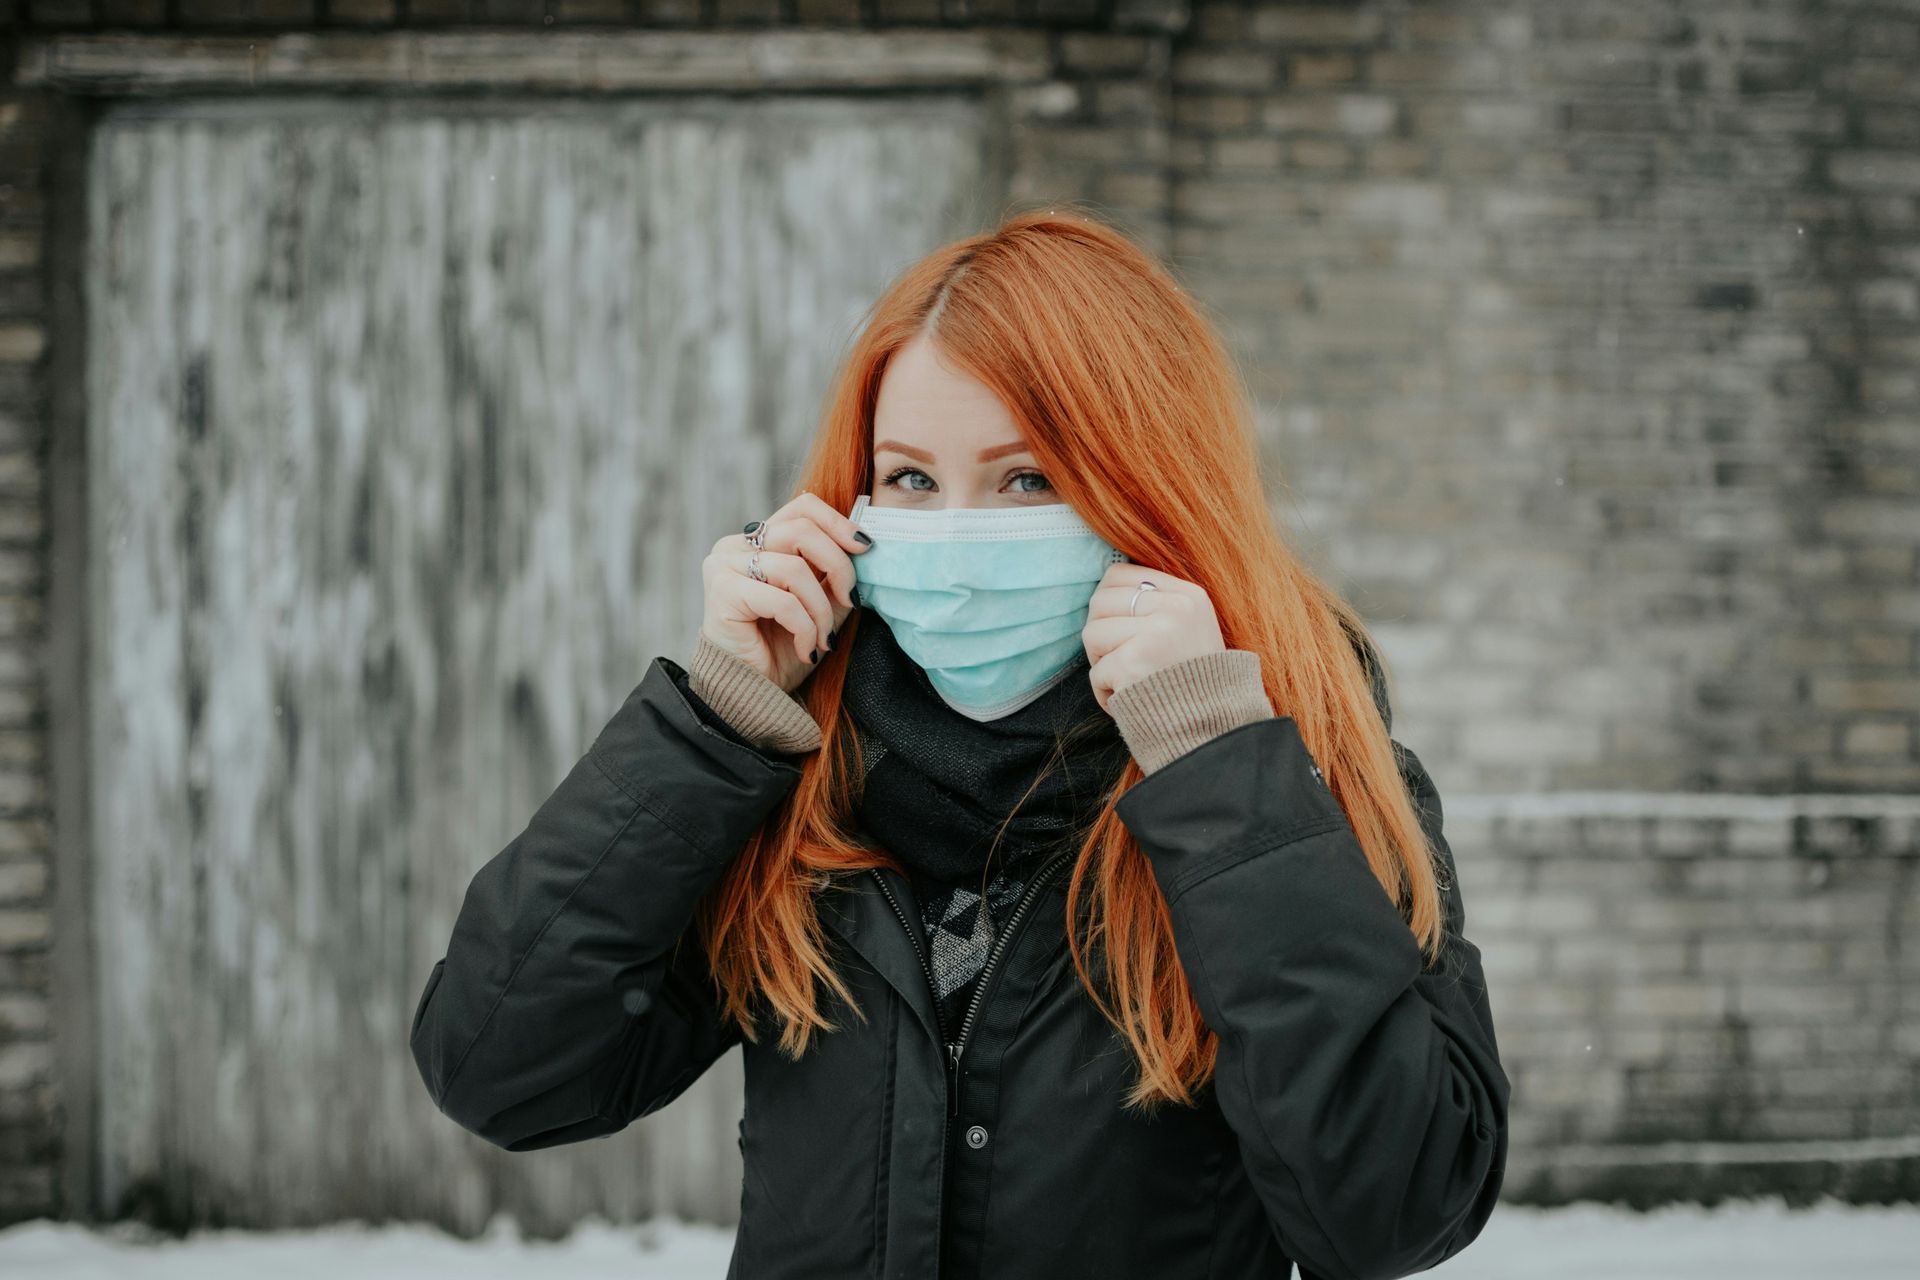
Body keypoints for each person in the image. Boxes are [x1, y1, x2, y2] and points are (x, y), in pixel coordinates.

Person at [409, 207, 1509, 1280]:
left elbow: (1394, 1208)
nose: (962, 538)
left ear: (1150, 488)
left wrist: (1221, 768)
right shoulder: (809, 786)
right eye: (911, 480)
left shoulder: (1309, 777)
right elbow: (500, 1067)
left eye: (1028, 478)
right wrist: (710, 723)